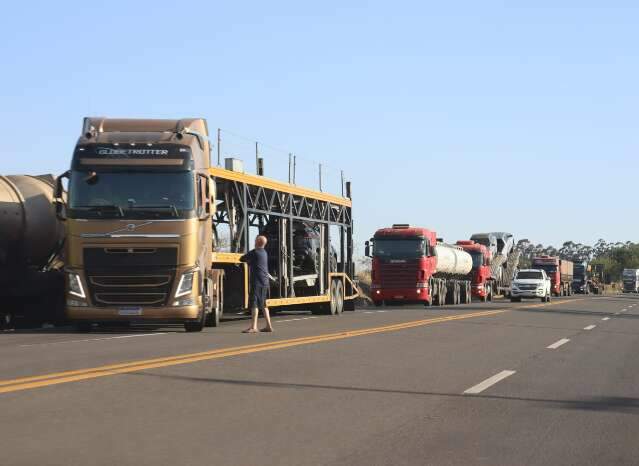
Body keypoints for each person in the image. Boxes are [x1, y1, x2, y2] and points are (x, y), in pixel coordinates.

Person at [240, 235, 273, 333]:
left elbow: (242, 258)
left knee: (254, 303)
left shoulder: (255, 252)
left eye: (255, 240)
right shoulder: (264, 253)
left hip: (257, 282)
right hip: (265, 282)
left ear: (257, 242)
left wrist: (249, 262)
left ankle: (254, 327)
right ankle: (268, 326)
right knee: (263, 304)